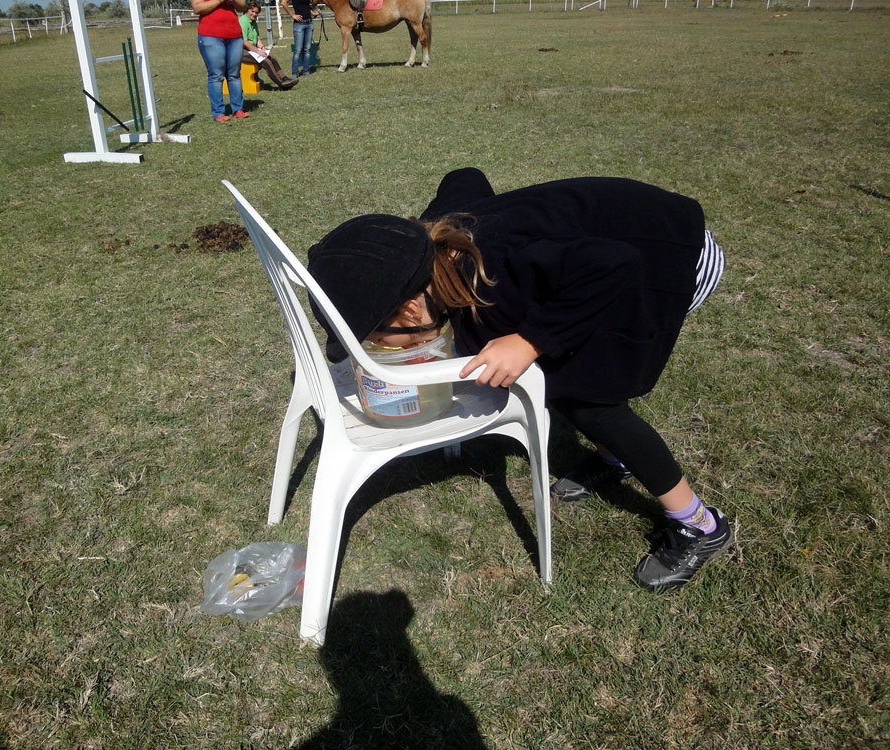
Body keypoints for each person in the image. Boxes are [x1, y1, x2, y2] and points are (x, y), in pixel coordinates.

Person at [306, 167, 733, 592]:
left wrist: (529, 341)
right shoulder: (429, 248)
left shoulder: (495, 268)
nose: (388, 350)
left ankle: (699, 524)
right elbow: (465, 176)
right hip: (616, 248)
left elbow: (616, 265)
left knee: (592, 399)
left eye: (381, 339)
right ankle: (615, 458)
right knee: (563, 376)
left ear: (411, 310)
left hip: (671, 255)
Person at [192, 0, 250, 121]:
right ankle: (218, 112)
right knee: (216, 75)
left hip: (234, 35)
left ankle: (238, 109)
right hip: (210, 35)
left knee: (234, 75)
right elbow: (197, 8)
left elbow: (242, 7)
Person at [240, 1, 298, 90]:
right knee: (266, 62)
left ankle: (284, 78)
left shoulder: (253, 22)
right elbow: (244, 41)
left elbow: (257, 39)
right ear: (247, 10)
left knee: (272, 58)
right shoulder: (243, 21)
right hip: (241, 51)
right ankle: (281, 83)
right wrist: (258, 51)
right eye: (252, 11)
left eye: (256, 12)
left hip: (251, 49)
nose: (254, 14)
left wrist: (263, 48)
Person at [281, 0, 318, 78]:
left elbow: (306, 7)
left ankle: (306, 71)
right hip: (299, 25)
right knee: (298, 50)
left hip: (309, 23)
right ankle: (294, 73)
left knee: (307, 49)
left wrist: (313, 13)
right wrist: (292, 15)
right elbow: (283, 3)